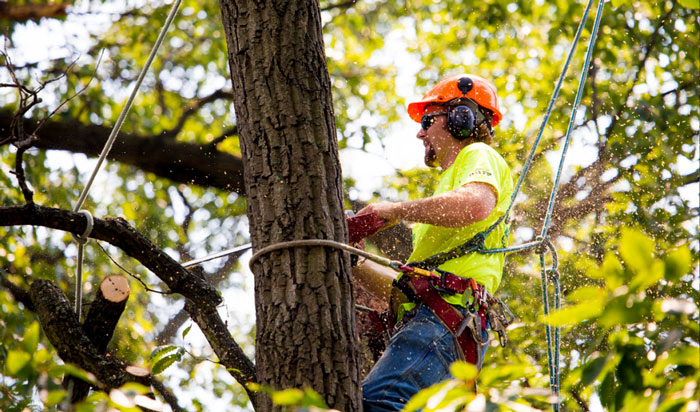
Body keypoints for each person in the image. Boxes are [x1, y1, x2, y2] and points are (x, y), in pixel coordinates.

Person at [352, 74, 514, 411]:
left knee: (379, 401)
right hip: (437, 323)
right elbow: (407, 289)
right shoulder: (447, 190)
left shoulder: (478, 155)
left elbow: (475, 203)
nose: (420, 132)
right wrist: (353, 260)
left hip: (442, 322)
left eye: (428, 119)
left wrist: (393, 211)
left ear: (461, 119)